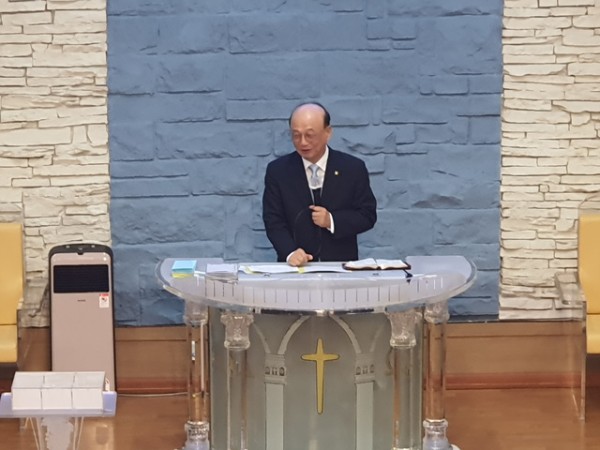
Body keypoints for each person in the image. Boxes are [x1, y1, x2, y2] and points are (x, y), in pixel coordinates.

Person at [262, 102, 377, 266]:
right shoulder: (278, 171)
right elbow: (273, 221)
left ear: (328, 133)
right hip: (296, 269)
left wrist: (331, 220)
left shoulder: (352, 168)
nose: (302, 142)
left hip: (341, 267)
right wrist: (290, 252)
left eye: (310, 135)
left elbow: (367, 215)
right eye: (296, 135)